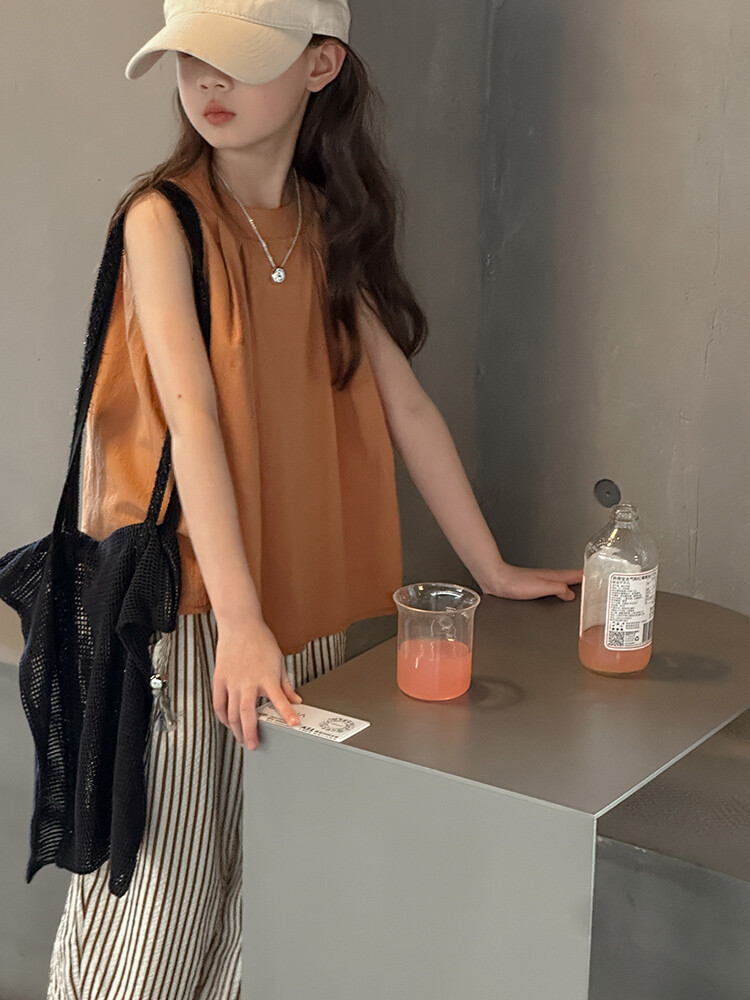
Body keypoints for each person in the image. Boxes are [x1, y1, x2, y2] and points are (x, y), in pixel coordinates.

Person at [47, 1, 581, 997]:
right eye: (189, 57)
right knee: (165, 885)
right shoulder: (163, 219)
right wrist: (242, 623)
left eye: (238, 58)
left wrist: (493, 568)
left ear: (321, 65)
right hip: (198, 614)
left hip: (312, 613)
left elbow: (406, 406)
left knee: (277, 881)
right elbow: (192, 423)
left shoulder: (324, 223)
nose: (207, 83)